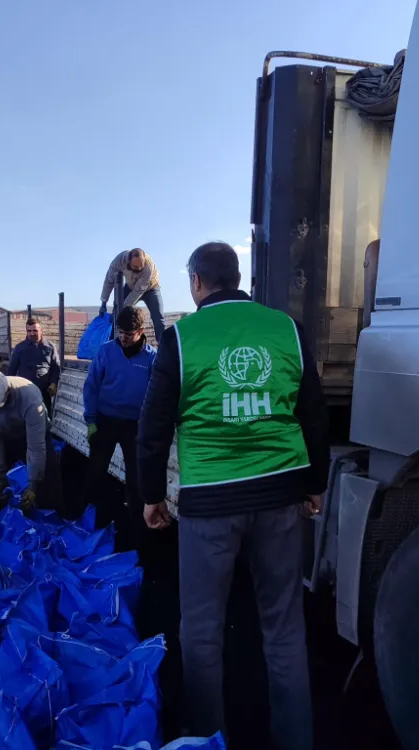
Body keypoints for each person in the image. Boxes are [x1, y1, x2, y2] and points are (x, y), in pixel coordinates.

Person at [136, 241, 330, 749]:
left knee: (201, 632)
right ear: (238, 276)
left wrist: (151, 494)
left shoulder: (182, 338)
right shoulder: (286, 329)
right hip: (280, 495)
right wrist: (315, 484)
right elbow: (313, 411)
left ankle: (206, 738)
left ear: (198, 283)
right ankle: (295, 740)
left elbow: (153, 427)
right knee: (284, 629)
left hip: (210, 506)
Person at [81, 305, 157, 541]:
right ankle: (94, 523)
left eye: (128, 334)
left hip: (134, 426)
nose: (123, 338)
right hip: (105, 421)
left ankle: (134, 532)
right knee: (95, 473)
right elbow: (91, 386)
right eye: (120, 332)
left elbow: (156, 394)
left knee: (135, 480)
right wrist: (91, 420)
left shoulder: (152, 357)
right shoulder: (106, 352)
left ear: (141, 331)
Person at [0, 370, 64, 515]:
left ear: (7, 393)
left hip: (31, 435)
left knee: (46, 484)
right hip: (2, 437)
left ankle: (50, 521)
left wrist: (33, 485)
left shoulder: (29, 400)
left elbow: (35, 446)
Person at [99, 248, 166, 344]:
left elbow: (136, 293)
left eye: (140, 268)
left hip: (151, 288)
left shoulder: (148, 268)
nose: (138, 270)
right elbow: (109, 280)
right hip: (130, 285)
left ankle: (162, 347)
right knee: (116, 313)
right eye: (135, 267)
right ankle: (113, 343)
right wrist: (104, 302)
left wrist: (123, 308)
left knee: (158, 316)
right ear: (128, 261)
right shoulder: (120, 260)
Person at [7, 318, 61, 414]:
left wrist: (53, 383)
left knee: (44, 416)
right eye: (29, 331)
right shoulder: (19, 348)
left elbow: (55, 368)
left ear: (41, 330)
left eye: (35, 330)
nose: (32, 333)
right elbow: (11, 370)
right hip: (24, 391)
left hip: (44, 391)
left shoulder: (50, 347)